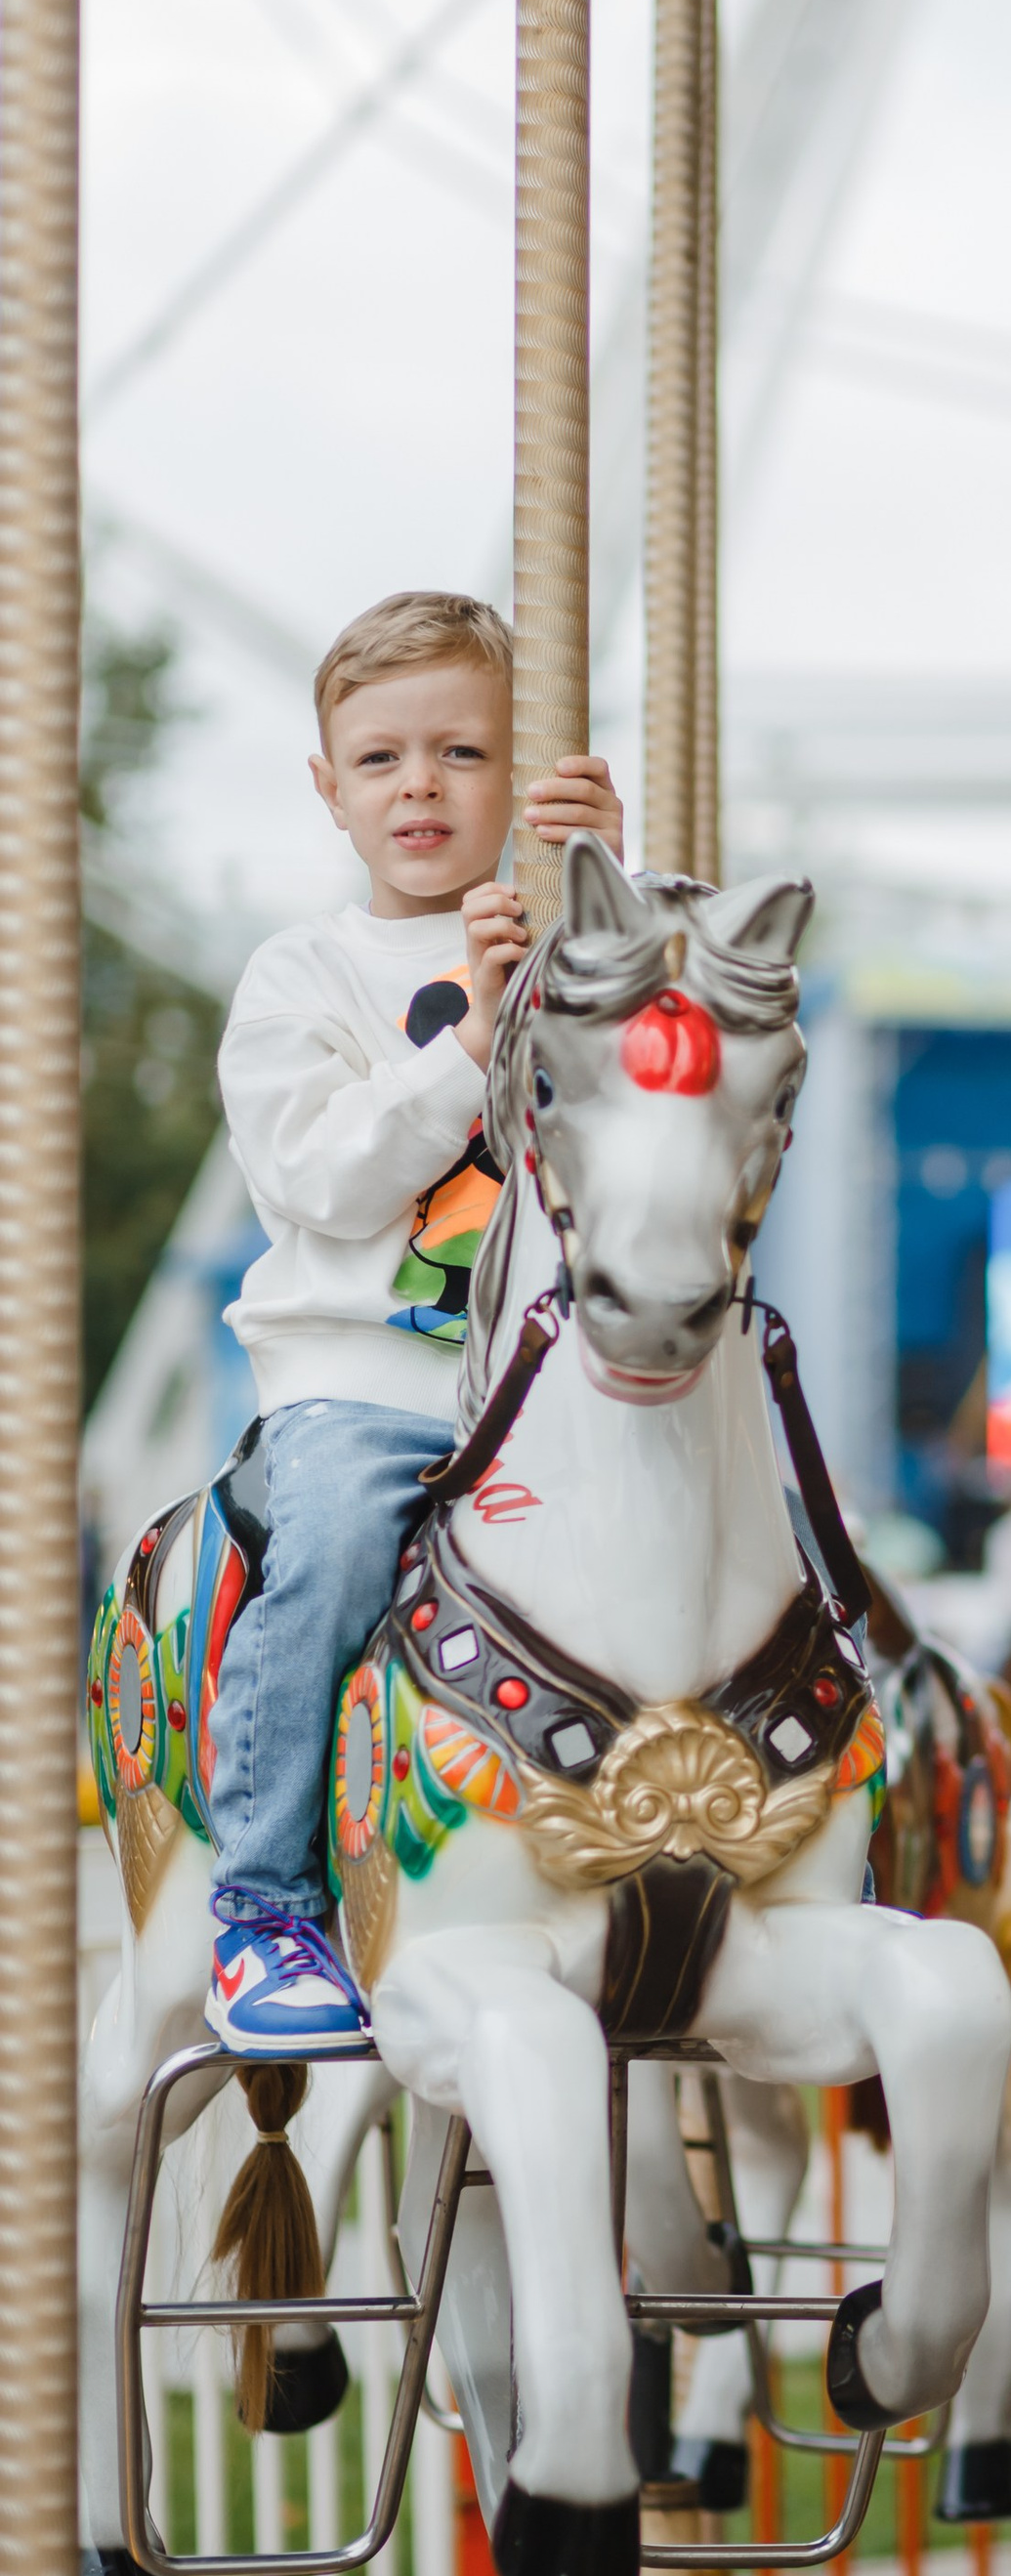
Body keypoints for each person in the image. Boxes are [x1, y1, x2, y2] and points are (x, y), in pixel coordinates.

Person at [202, 590, 625, 2050]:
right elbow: (318, 1178)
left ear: (521, 775)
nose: (422, 788)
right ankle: (263, 1903)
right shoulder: (302, 977)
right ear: (329, 787)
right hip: (371, 1385)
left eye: (463, 752)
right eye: (381, 760)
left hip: (556, 1394)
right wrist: (472, 1029)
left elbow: (672, 1096)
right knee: (325, 1548)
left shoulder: (569, 931)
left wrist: (608, 894)